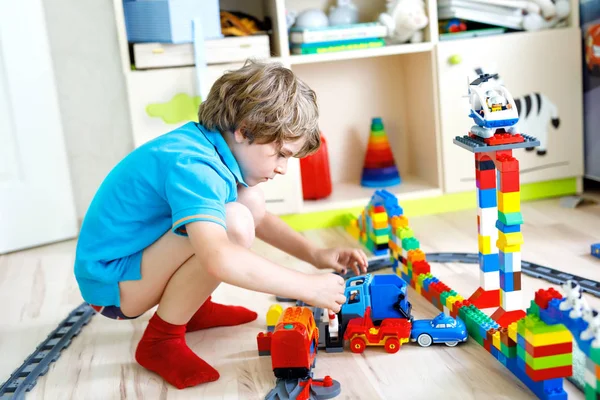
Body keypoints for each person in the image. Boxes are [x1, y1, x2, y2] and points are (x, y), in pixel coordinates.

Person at [74, 59, 368, 390]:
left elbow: (260, 217)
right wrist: (307, 286)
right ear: (244, 130)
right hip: (113, 288)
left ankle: (192, 307)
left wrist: (315, 254)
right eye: (281, 154)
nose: (284, 168)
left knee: (249, 201)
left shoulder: (209, 147)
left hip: (131, 264)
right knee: (233, 224)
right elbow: (218, 257)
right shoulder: (195, 166)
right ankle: (161, 340)